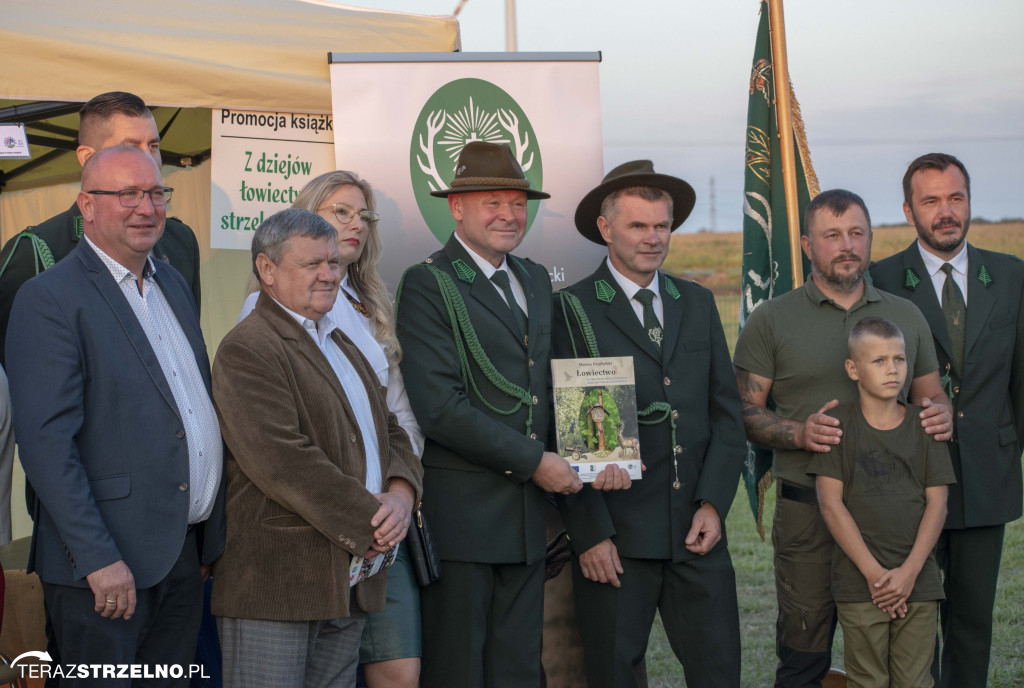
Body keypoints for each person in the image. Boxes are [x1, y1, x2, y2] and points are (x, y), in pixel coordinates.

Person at [5, 145, 224, 686]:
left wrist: (206, 536)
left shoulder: (170, 282)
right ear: (87, 205)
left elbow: (188, 406)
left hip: (179, 556)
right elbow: (47, 447)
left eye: (155, 193)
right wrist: (98, 560)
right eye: (126, 194)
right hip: (103, 572)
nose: (146, 207)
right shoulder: (49, 298)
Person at [732, 188, 952, 688]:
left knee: (906, 663)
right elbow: (742, 410)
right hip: (809, 515)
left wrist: (942, 415)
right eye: (832, 235)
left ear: (871, 239)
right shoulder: (772, 318)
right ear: (808, 245)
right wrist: (798, 432)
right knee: (803, 657)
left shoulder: (906, 316)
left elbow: (933, 399)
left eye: (856, 233)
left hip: (895, 517)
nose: (846, 245)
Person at [395, 141, 586, 688]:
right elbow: (440, 410)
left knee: (519, 669)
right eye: (492, 202)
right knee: (459, 670)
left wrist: (598, 452)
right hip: (465, 522)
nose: (509, 214)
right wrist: (536, 463)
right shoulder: (429, 283)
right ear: (456, 206)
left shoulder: (530, 278)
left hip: (526, 522)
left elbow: (546, 386)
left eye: (518, 203)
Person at [552, 160, 746, 687]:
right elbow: (562, 436)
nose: (653, 238)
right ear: (605, 227)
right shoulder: (571, 310)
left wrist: (713, 504)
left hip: (695, 531)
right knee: (614, 675)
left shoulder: (699, 302)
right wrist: (590, 533)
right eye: (638, 226)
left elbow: (727, 415)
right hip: (617, 539)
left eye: (662, 226)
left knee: (720, 671)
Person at [211, 208, 423, 688]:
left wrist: (401, 496)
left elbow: (392, 432)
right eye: (313, 265)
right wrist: (374, 522)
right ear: (268, 271)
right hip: (277, 587)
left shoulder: (343, 342)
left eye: (334, 263)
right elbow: (283, 460)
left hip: (346, 584)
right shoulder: (248, 347)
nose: (330, 275)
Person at [869, 153, 1024, 687]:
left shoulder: (1010, 276)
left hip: (988, 477)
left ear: (970, 204)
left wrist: (1007, 451)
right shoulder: (880, 279)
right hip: (909, 482)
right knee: (912, 620)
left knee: (973, 622)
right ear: (909, 210)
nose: (946, 211)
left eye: (955, 198)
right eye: (931, 200)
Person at [0, 91, 202, 367]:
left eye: (153, 146)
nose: (149, 159)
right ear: (87, 157)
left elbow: (187, 351)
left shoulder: (181, 242)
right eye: (130, 147)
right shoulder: (35, 250)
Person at [809, 317, 954, 688]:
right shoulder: (837, 425)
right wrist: (877, 578)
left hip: (918, 585)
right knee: (867, 681)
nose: (892, 370)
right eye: (879, 361)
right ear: (852, 369)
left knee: (915, 681)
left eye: (899, 359)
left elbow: (938, 505)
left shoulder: (926, 426)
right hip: (860, 586)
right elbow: (830, 505)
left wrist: (906, 576)